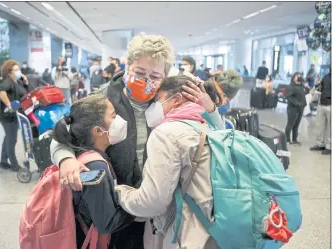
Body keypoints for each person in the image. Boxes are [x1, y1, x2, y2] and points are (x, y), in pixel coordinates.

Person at [50, 33, 223, 249]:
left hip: (159, 211)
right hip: (116, 209)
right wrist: (66, 159)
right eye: (139, 73)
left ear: (165, 76)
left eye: (155, 76)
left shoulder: (171, 101)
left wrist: (211, 110)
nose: (147, 81)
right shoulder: (103, 99)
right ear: (127, 66)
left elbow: (218, 137)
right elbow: (64, 132)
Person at [115, 75, 218, 249]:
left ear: (177, 99)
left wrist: (118, 192)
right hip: (217, 233)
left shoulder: (167, 133)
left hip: (187, 238)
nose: (153, 107)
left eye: (157, 100)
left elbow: (152, 202)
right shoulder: (211, 127)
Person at [52, 94, 136, 247]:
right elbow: (106, 223)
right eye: (114, 116)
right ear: (98, 131)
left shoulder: (82, 152)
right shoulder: (95, 168)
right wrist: (138, 206)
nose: (120, 121)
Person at [0, 59, 34, 171]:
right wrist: (9, 105)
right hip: (7, 117)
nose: (19, 71)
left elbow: (29, 93)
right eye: (16, 70)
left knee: (8, 137)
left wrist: (26, 82)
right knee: (12, 139)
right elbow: (0, 90)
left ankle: (3, 162)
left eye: (19, 69)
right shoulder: (8, 81)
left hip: (16, 115)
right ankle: (14, 164)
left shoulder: (19, 82)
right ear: (9, 72)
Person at [310, 69, 331, 155]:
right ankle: (320, 144)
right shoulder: (325, 77)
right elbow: (319, 89)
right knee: (319, 125)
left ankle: (329, 147)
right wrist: (318, 83)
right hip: (322, 104)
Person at [285, 72, 307, 144]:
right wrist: (296, 103)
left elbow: (306, 92)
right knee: (290, 124)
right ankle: (287, 139)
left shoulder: (302, 86)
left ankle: (294, 139)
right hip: (293, 109)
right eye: (297, 75)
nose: (299, 76)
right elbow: (288, 96)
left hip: (301, 108)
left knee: (297, 124)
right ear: (294, 77)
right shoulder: (291, 86)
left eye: (300, 75)